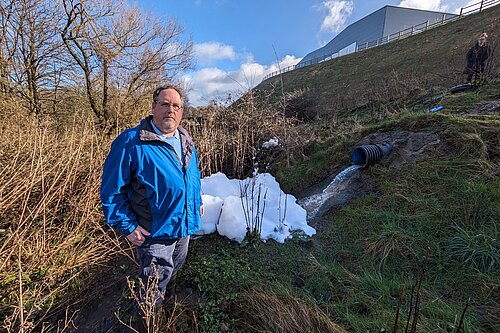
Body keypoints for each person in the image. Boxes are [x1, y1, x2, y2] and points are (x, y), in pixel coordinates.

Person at [100, 85, 204, 305]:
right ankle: (149, 320)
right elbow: (111, 192)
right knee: (152, 287)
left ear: (182, 111)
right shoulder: (131, 142)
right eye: (164, 104)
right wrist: (127, 226)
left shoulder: (186, 139)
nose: (170, 110)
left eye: (176, 106)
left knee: (174, 268)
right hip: (153, 232)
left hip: (183, 226)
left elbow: (191, 176)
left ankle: (165, 299)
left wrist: (197, 202)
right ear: (153, 107)